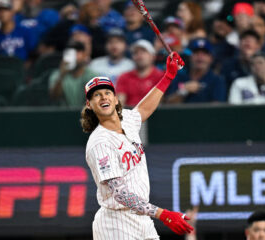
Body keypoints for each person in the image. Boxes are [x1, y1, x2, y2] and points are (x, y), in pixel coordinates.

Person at [81, 51, 194, 239]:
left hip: (141, 218)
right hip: (115, 223)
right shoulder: (100, 142)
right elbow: (120, 194)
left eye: (107, 93)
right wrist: (163, 215)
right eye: (96, 95)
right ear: (90, 105)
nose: (103, 98)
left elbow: (143, 108)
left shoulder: (126, 119)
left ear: (115, 99)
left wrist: (168, 76)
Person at [166, 38, 226, 104]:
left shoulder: (217, 80)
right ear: (190, 57)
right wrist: (183, 91)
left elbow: (217, 108)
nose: (200, 57)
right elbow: (168, 104)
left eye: (205, 53)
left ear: (211, 58)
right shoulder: (179, 77)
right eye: (196, 53)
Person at [48, 41, 98, 107]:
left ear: (84, 55)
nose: (74, 57)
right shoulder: (57, 75)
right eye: (70, 54)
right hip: (63, 115)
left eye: (77, 53)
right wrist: (62, 75)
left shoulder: (93, 76)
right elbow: (54, 97)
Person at [116, 39, 164, 107]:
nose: (139, 55)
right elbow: (120, 102)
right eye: (136, 53)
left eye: (143, 52)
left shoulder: (161, 76)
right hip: (130, 115)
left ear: (153, 56)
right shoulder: (124, 77)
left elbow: (162, 101)